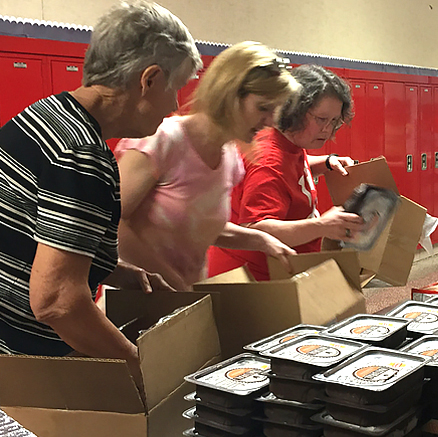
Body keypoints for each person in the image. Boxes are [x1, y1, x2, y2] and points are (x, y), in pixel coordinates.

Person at [0, 1, 199, 390]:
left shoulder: (44, 115)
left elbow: (30, 234)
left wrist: (114, 270)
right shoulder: (82, 156)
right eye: (176, 88)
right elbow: (57, 301)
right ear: (150, 79)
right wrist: (141, 366)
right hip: (24, 367)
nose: (175, 106)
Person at [115, 42, 300, 291]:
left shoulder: (230, 156)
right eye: (263, 108)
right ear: (229, 94)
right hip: (135, 300)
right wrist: (172, 280)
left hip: (183, 300)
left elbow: (199, 225)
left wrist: (260, 239)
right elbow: (112, 222)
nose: (270, 121)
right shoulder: (162, 140)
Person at [207, 64, 364, 281]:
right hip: (253, 283)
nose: (327, 129)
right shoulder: (268, 161)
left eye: (334, 121)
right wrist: (322, 226)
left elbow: (291, 169)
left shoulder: (287, 142)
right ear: (295, 109)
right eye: (320, 119)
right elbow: (256, 228)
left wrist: (327, 163)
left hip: (277, 272)